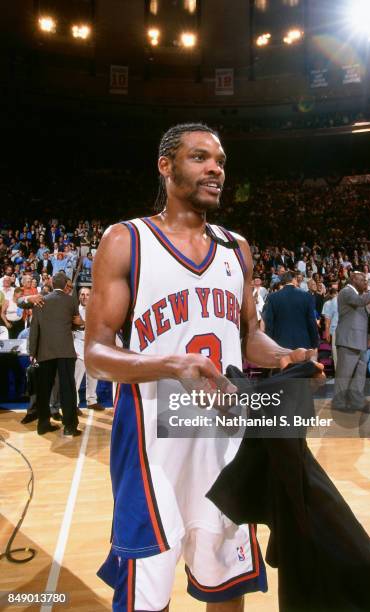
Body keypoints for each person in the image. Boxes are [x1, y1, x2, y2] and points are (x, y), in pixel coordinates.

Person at [85, 123, 322, 612]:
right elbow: (96, 353)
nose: (216, 169)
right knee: (144, 597)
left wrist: (283, 356)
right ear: (166, 166)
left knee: (227, 585)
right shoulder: (127, 240)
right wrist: (173, 365)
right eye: (200, 158)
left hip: (225, 439)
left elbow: (246, 335)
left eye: (220, 162)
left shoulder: (237, 247)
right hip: (152, 443)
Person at [28, 272, 82, 436]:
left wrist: (32, 351)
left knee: (44, 390)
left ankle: (43, 425)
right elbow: (75, 324)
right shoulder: (71, 299)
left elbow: (34, 328)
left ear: (51, 284)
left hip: (44, 352)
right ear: (66, 285)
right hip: (65, 351)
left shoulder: (40, 300)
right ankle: (70, 427)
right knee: (68, 389)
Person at [332, 271, 370, 414]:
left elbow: (365, 313)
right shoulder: (346, 292)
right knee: (344, 375)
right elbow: (361, 301)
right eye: (363, 280)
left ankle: (357, 402)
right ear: (353, 279)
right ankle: (339, 402)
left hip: (359, 341)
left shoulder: (358, 295)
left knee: (360, 376)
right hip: (348, 340)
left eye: (366, 280)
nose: (366, 282)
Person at [263, 270, 319, 351]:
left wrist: (270, 346)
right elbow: (311, 321)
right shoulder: (307, 296)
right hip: (303, 344)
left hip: (280, 345)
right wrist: (314, 343)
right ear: (294, 279)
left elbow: (269, 324)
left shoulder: (272, 297)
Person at [74, 287, 103, 411]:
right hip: (78, 346)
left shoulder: (97, 311)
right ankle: (74, 404)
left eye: (87, 294)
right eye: (82, 294)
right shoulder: (74, 311)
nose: (85, 297)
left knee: (93, 377)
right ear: (79, 296)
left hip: (92, 347)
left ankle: (91, 401)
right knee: (76, 378)